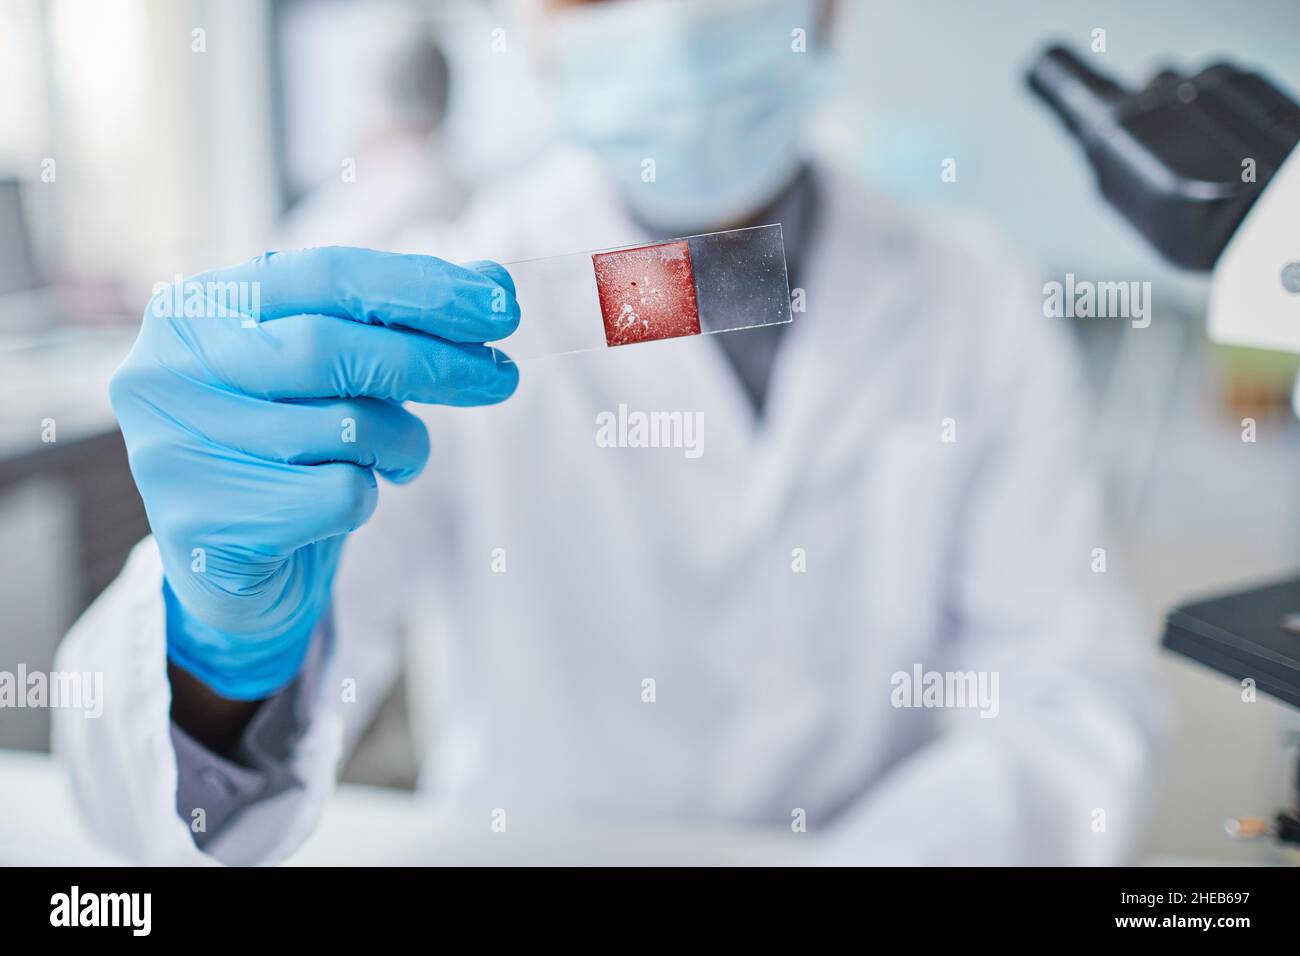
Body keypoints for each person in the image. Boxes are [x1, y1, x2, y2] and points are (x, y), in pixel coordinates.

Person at [54, 0, 1167, 865]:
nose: (667, 22)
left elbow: (1070, 694)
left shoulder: (969, 294)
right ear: (525, 29)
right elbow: (136, 808)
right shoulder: (435, 302)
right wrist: (220, 648)